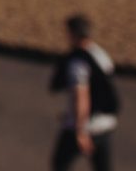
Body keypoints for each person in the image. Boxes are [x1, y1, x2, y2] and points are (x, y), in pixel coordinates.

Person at [49, 14, 120, 170]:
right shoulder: (99, 54)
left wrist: (80, 130)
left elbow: (81, 95)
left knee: (60, 164)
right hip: (105, 123)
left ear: (73, 33)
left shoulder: (78, 61)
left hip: (85, 124)